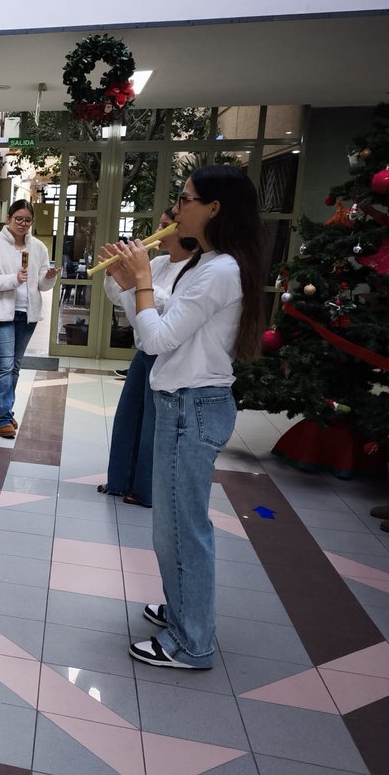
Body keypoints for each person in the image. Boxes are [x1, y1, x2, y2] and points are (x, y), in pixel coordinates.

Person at [103, 165, 262, 670]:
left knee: (180, 529)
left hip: (192, 406)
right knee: (173, 527)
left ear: (214, 209)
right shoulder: (210, 264)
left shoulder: (220, 269)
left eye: (188, 199)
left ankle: (191, 641)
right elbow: (164, 318)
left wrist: (143, 279)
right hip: (185, 404)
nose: (179, 208)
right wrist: (132, 284)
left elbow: (156, 340)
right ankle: (182, 609)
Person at [98, 209, 191, 509]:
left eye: (165, 226)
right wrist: (120, 275)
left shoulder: (196, 269)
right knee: (128, 416)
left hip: (169, 354)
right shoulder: (159, 262)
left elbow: (165, 308)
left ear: (181, 229)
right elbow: (127, 301)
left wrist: (140, 281)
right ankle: (120, 481)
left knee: (153, 424)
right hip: (144, 350)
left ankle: (144, 489)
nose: (158, 230)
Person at [0, 200, 58, 439]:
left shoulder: (39, 247)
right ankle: (1, 418)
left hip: (27, 314)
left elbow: (41, 285)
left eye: (27, 220)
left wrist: (49, 277)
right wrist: (14, 279)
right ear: (8, 218)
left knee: (14, 366)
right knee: (4, 366)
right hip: (0, 314)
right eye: (18, 219)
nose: (23, 224)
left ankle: (5, 409)